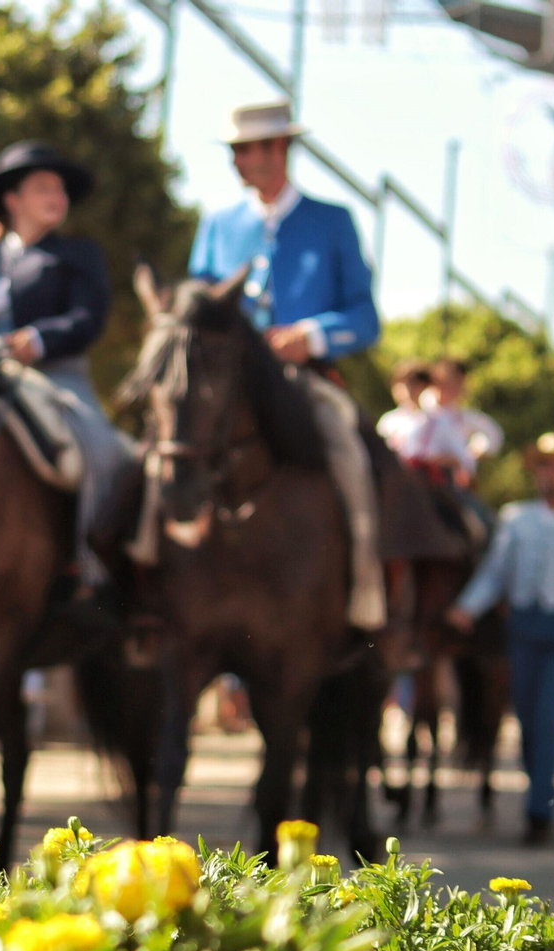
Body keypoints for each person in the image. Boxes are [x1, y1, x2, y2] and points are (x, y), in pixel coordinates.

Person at [190, 101, 384, 631]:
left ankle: (366, 583)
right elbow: (197, 311)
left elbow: (366, 318)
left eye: (245, 149)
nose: (236, 161)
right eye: (233, 151)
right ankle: (148, 583)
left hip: (304, 382)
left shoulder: (333, 221)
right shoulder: (217, 225)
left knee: (352, 458)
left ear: (280, 150)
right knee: (167, 447)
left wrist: (312, 335)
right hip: (228, 386)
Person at [0, 141, 137, 587]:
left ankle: (91, 565)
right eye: (42, 187)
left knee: (106, 452)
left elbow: (87, 318)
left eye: (59, 188)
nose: (55, 197)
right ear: (12, 200)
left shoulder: (79, 255)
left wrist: (37, 342)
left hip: (54, 377)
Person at [447, 433, 554, 846]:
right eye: (542, 465)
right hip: (522, 628)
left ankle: (539, 810)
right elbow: (495, 573)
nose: (548, 473)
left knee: (548, 719)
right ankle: (541, 793)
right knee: (524, 719)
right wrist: (467, 606)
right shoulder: (515, 518)